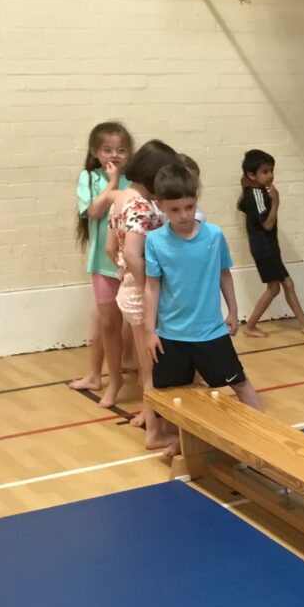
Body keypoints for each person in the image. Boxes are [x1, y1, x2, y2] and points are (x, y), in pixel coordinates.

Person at [143, 162, 263, 456]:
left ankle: (266, 436)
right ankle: (184, 442)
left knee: (240, 384)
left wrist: (233, 311)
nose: (184, 215)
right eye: (175, 210)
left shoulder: (213, 235)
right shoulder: (155, 241)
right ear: (160, 207)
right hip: (171, 335)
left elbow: (224, 274)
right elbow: (152, 287)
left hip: (210, 332)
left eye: (189, 206)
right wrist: (150, 331)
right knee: (170, 396)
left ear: (196, 199)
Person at [109, 139, 182, 444]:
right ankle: (155, 433)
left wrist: (128, 278)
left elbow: (112, 249)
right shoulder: (140, 205)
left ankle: (155, 425)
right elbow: (132, 252)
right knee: (152, 370)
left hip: (129, 289)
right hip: (140, 293)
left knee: (146, 365)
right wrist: (147, 288)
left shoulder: (121, 199)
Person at [69, 121, 133, 407]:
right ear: (95, 152)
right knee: (108, 323)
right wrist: (111, 184)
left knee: (135, 320)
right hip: (102, 262)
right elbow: (93, 211)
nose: (114, 155)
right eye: (107, 150)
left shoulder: (135, 180)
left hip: (131, 262)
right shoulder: (90, 177)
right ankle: (113, 379)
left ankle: (136, 372)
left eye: (121, 150)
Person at [236, 149, 304, 337]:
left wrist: (245, 185)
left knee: (283, 285)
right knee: (278, 286)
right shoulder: (257, 194)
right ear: (251, 175)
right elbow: (267, 224)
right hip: (265, 248)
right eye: (265, 171)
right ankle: (250, 326)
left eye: (271, 170)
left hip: (267, 247)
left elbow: (241, 205)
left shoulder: (253, 192)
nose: (270, 175)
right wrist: (276, 202)